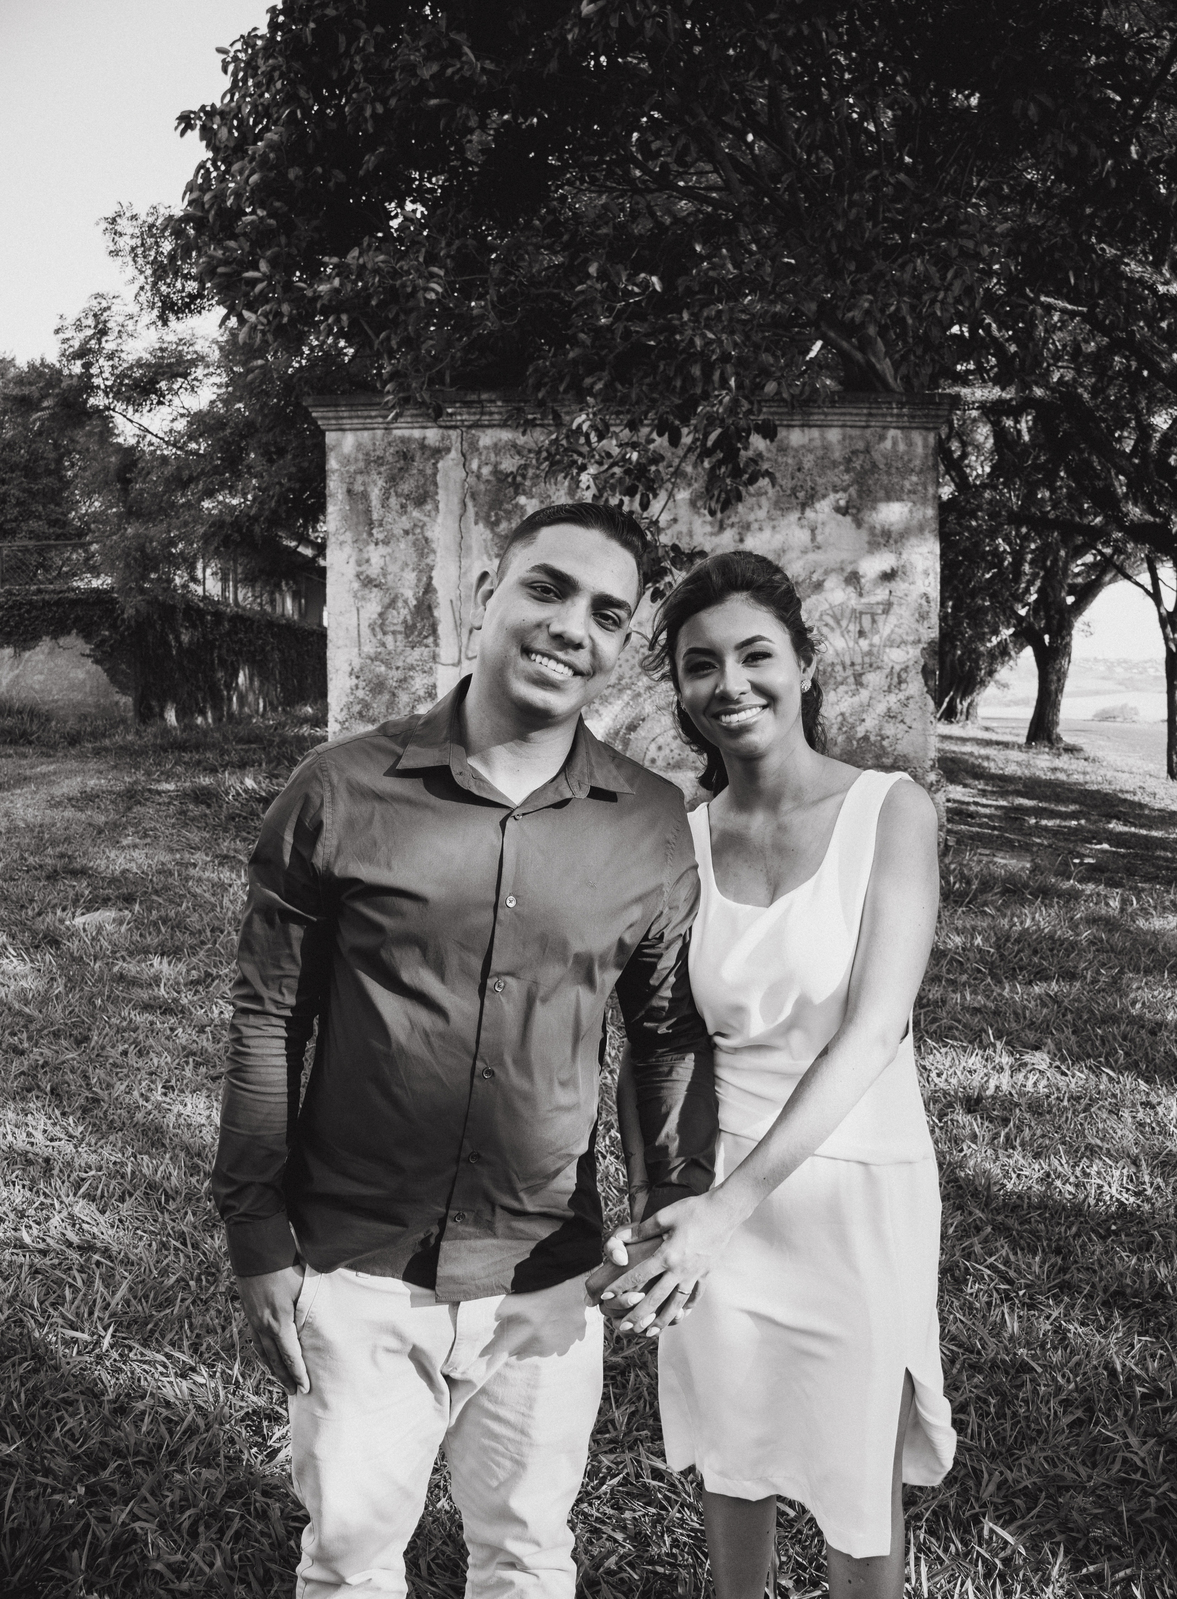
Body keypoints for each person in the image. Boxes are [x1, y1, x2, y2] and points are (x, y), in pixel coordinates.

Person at [212, 502, 717, 1599]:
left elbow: (665, 1031)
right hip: (356, 1263)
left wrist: (673, 1194)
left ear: (624, 643)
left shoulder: (649, 823)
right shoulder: (340, 790)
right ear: (487, 593)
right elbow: (268, 1014)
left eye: (607, 613)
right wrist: (256, 1231)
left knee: (527, 1557)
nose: (571, 626)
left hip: (548, 1273)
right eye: (547, 587)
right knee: (348, 1562)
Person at [590, 551, 956, 1599]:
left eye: (756, 655)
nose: (731, 684)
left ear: (804, 663)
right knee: (732, 1449)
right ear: (679, 689)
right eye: (701, 665)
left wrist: (727, 1209)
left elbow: (874, 1031)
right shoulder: (679, 838)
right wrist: (663, 1202)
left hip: (853, 1183)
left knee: (856, 1476)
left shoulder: (892, 811)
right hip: (713, 1179)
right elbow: (656, 1038)